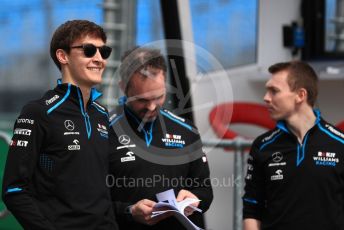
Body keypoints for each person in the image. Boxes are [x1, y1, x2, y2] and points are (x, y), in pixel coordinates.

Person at [2, 20, 118, 230]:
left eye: (104, 51)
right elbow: (14, 190)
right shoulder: (39, 112)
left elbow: (108, 185)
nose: (99, 59)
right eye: (89, 50)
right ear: (62, 56)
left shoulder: (101, 114)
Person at [108, 46, 213, 229]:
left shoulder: (187, 131)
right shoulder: (103, 131)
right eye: (142, 100)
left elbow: (205, 191)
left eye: (158, 97)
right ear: (123, 88)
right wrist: (129, 211)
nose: (151, 107)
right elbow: (89, 202)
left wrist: (194, 200)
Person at [242, 61, 344, 230]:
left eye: (274, 91)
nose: (266, 98)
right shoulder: (263, 145)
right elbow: (252, 208)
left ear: (300, 95)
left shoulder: (340, 144)